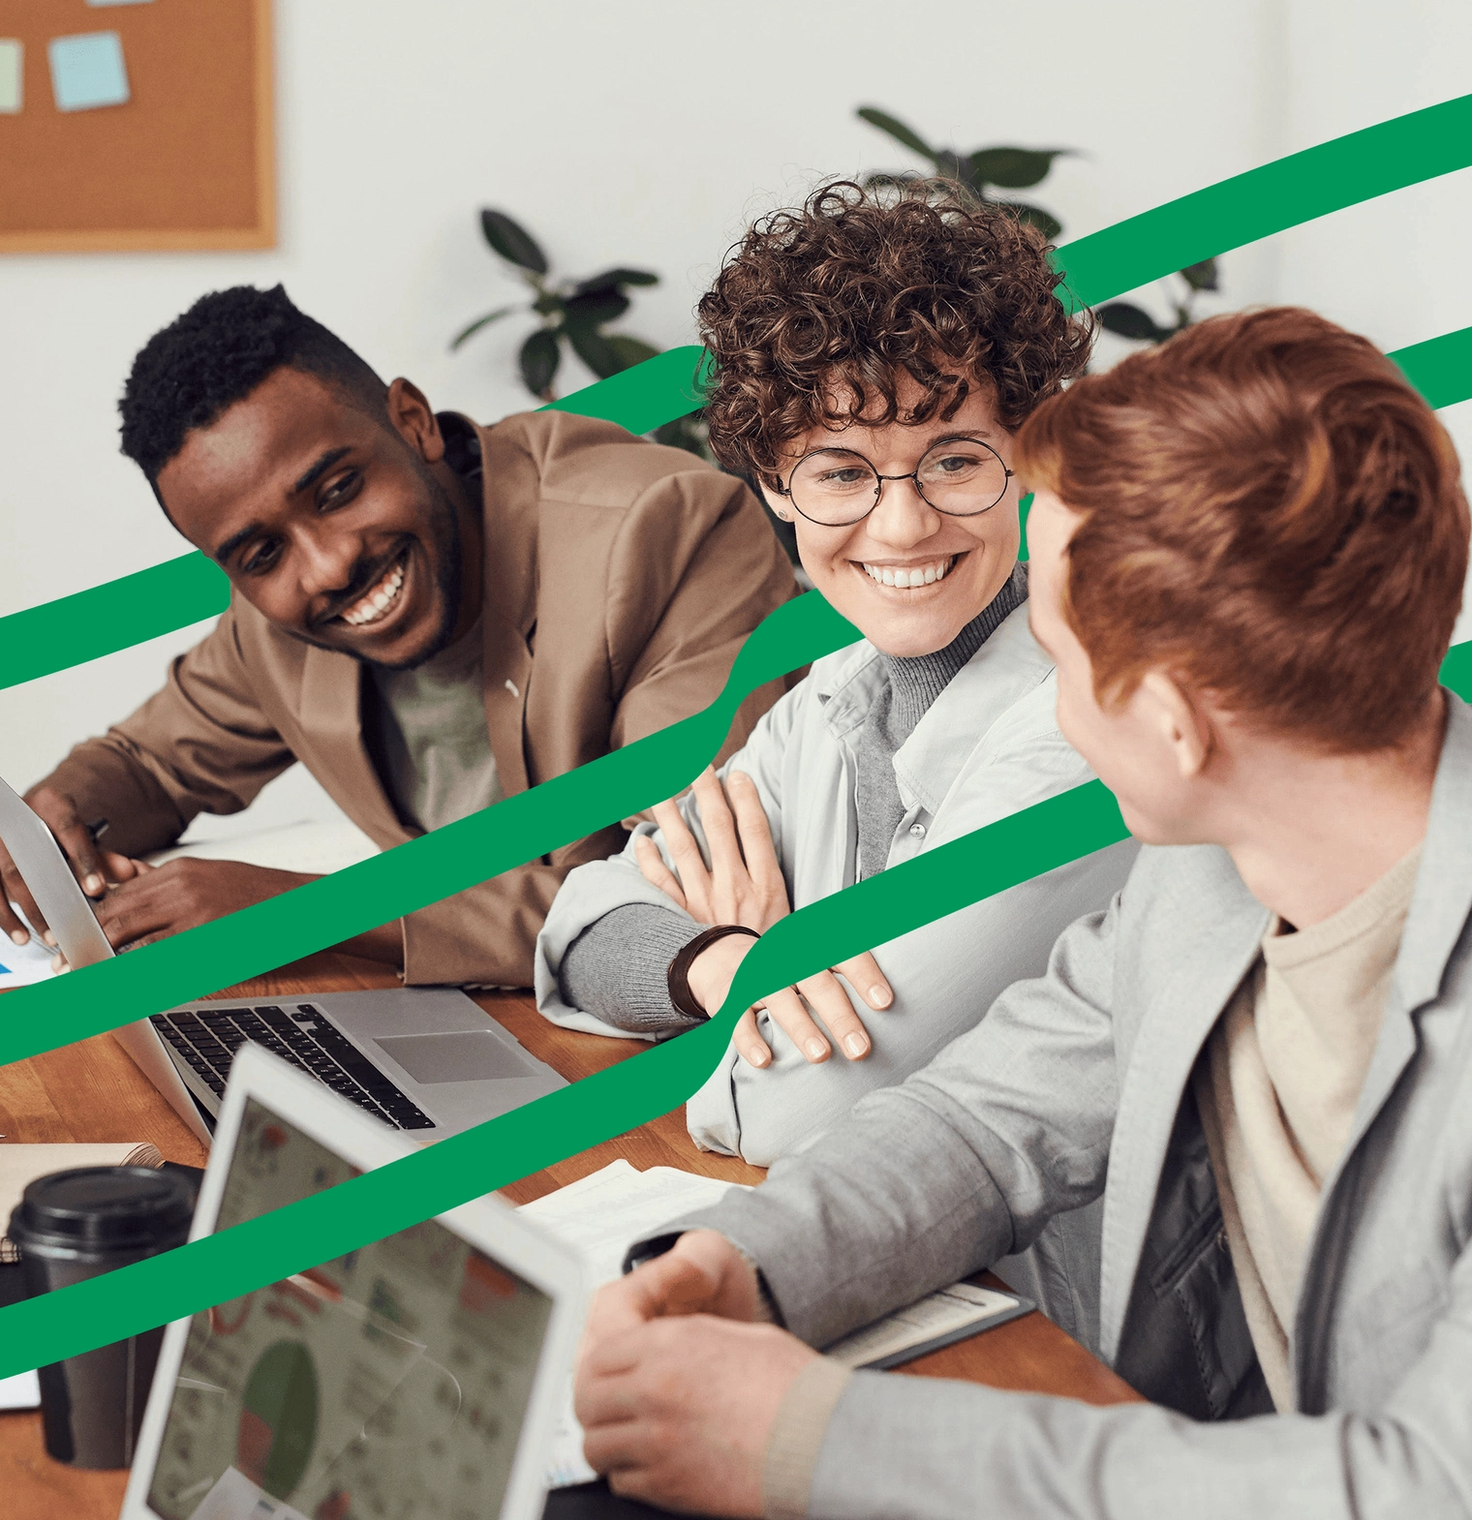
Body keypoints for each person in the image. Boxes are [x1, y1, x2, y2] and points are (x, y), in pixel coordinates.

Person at [572, 306, 1472, 1518]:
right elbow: (982, 1118)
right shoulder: (1207, 869)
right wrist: (746, 1266)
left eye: (1054, 650)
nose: (1041, 695)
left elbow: (1421, 1484)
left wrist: (810, 1436)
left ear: (1171, 724)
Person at [535, 182, 1138, 1190]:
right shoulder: (834, 690)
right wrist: (724, 963)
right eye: (841, 472)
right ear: (774, 482)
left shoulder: (1077, 738)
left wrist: (747, 976)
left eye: (952, 460)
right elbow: (579, 925)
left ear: (1028, 455)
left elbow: (792, 1107)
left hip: (1045, 1316)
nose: (900, 528)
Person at [0, 285, 797, 987]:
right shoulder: (276, 624)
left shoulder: (667, 531)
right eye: (261, 554)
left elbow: (684, 893)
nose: (329, 565)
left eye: (339, 489)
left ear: (413, 423)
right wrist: (53, 830)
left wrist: (304, 916)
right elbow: (148, 765)